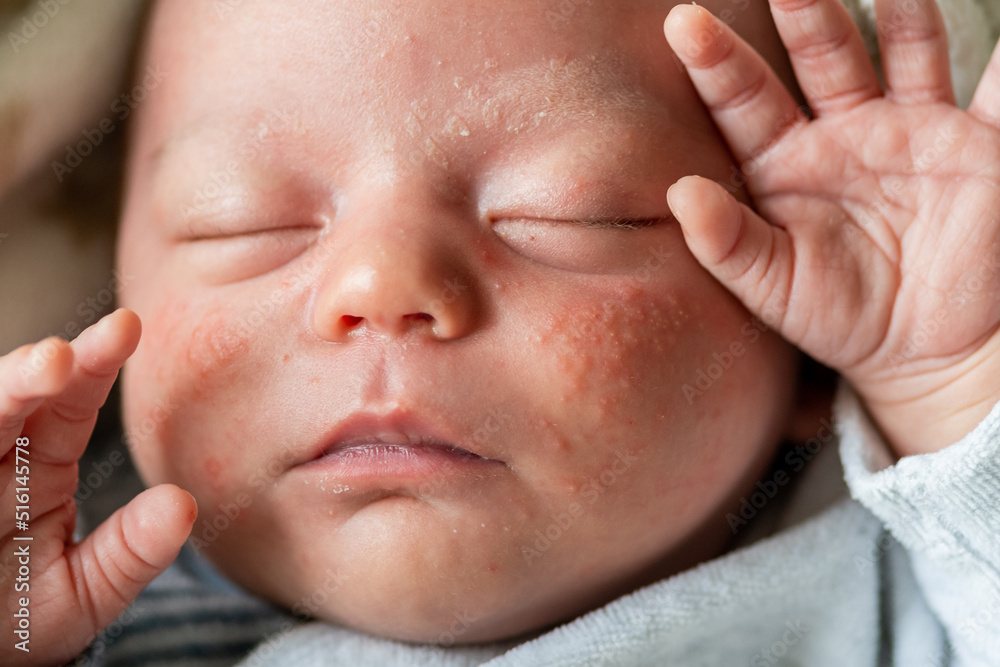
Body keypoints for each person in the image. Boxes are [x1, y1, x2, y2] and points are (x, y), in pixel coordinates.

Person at [3, 0, 1000, 663]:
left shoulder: (919, 583)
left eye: (570, 213)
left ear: (808, 356)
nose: (381, 286)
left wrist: (950, 381)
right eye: (240, 222)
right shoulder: (70, 617)